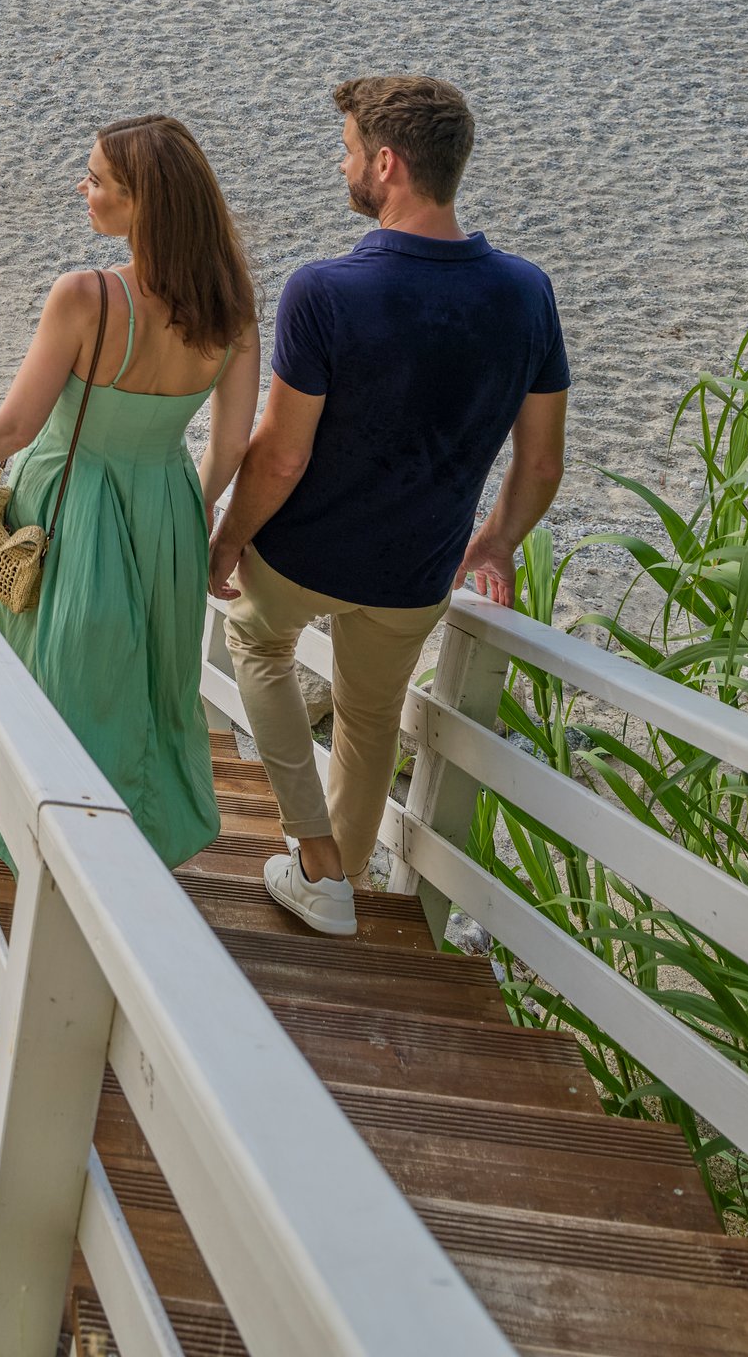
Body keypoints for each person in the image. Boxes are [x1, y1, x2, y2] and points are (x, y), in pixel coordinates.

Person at [215, 74, 568, 938]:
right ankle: (339, 888)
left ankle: (319, 863)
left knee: (255, 642)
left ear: (387, 163)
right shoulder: (526, 294)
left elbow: (282, 454)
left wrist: (226, 539)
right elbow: (543, 458)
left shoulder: (324, 290)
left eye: (346, 153)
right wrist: (494, 543)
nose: (342, 168)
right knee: (371, 720)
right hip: (416, 571)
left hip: (301, 558)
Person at [0, 116, 260, 874]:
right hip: (169, 510)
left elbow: (14, 427)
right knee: (156, 686)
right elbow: (229, 443)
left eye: (96, 182)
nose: (81, 189)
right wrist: (198, 515)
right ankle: (143, 845)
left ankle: (59, 856)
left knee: (65, 679)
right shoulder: (233, 306)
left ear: (142, 205)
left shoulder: (85, 297)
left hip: (76, 505)